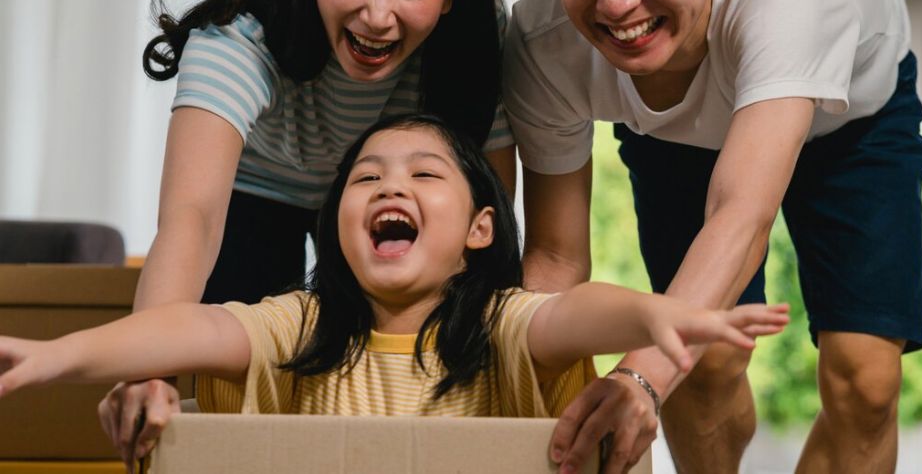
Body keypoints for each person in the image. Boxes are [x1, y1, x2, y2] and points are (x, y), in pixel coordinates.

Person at [0, 114, 790, 469]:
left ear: (481, 228)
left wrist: (656, 311)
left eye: (423, 175)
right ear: (338, 221)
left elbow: (575, 314)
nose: (390, 184)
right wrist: (54, 356)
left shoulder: (500, 325)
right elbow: (185, 331)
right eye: (367, 177)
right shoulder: (300, 325)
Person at [505, 0, 922, 472]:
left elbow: (741, 216)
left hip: (851, 121)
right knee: (703, 367)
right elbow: (555, 260)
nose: (616, 3)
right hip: (673, 129)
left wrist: (640, 379)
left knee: (863, 379)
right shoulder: (544, 38)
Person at [98, 0, 513, 462]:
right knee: (238, 385)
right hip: (254, 197)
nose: (377, 14)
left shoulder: (477, 37)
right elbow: (192, 218)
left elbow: (490, 220)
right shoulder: (240, 33)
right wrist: (145, 366)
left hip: (378, 200)